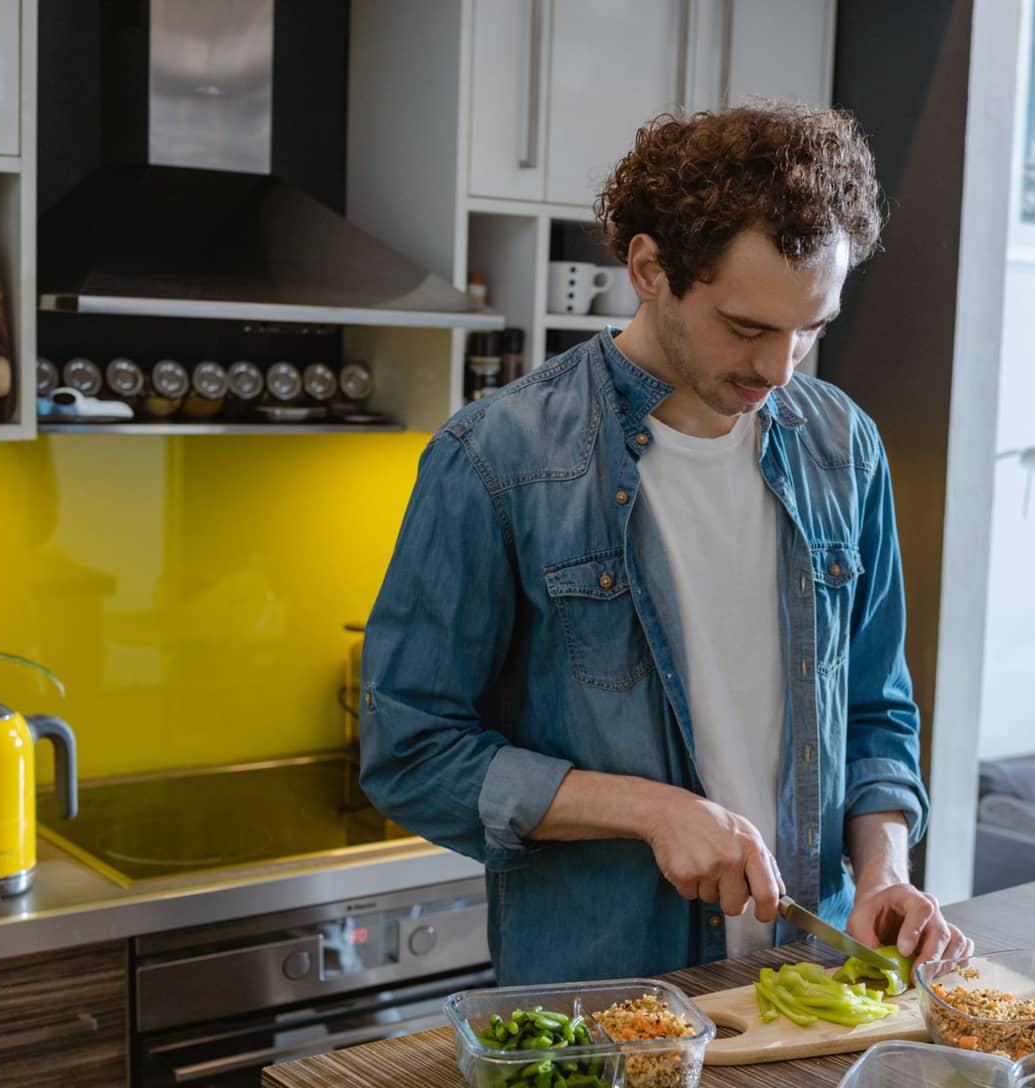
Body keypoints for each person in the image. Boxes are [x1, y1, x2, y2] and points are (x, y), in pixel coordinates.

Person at [360, 103, 970, 984]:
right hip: (609, 1007)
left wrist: (885, 867)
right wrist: (649, 811)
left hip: (816, 986)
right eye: (749, 327)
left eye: (812, 328)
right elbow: (409, 752)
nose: (779, 368)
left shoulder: (845, 446)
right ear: (649, 268)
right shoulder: (498, 460)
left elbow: (876, 711)